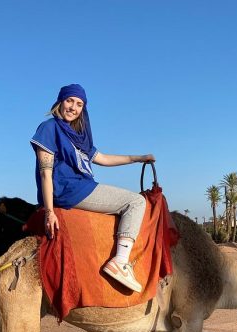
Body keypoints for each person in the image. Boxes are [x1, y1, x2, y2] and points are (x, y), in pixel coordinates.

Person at [30, 84, 155, 293]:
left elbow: (103, 158)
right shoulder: (49, 128)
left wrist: (138, 158)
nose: (73, 107)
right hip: (70, 189)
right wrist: (49, 212)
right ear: (60, 101)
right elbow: (45, 172)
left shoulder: (78, 136)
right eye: (70, 101)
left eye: (79, 104)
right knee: (135, 201)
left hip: (81, 186)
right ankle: (121, 262)